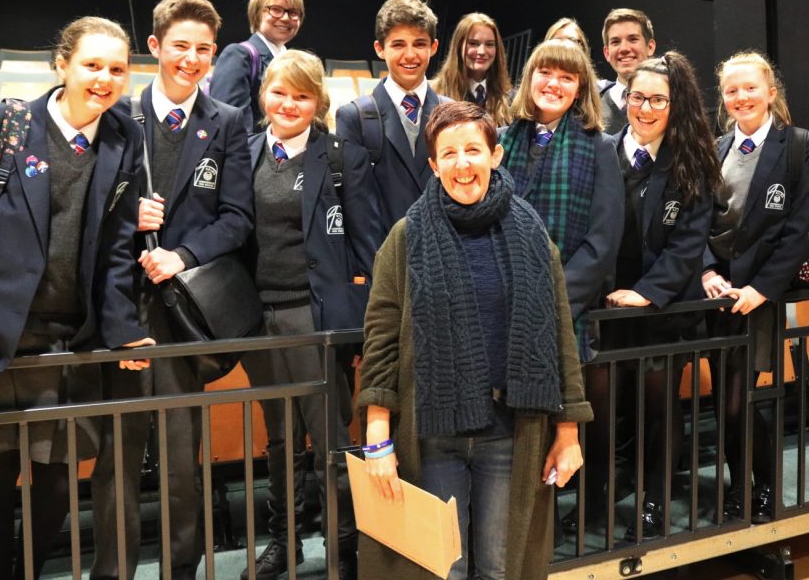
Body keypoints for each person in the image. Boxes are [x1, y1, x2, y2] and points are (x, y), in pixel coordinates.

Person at [0, 16, 152, 579]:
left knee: (54, 487)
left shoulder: (124, 134)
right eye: (92, 65)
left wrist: (121, 330)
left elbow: (118, 250)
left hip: (69, 342)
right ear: (61, 65)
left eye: (117, 69)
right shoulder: (1, 126)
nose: (104, 79)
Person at [358, 101, 592, 580]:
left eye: (472, 150)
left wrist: (567, 432)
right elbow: (380, 339)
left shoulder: (532, 235)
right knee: (443, 568)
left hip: (509, 431)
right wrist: (377, 434)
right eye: (449, 153)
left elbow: (560, 338)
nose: (462, 164)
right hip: (433, 434)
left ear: (496, 155)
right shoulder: (406, 237)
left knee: (498, 568)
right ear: (433, 164)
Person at [91, 0, 253, 580]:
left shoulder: (229, 122)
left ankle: (182, 568)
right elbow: (86, 209)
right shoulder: (117, 117)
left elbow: (237, 217)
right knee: (119, 452)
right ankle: (113, 570)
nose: (191, 59)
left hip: (186, 306)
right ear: (155, 47)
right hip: (118, 307)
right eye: (180, 46)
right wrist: (129, 217)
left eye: (203, 49)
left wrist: (181, 255)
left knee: (183, 454)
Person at [241, 49, 379, 580]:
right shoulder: (246, 152)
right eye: (280, 92)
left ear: (319, 102)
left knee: (329, 439)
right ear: (264, 95)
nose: (289, 104)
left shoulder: (342, 157)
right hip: (259, 318)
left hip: (314, 315)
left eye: (302, 95)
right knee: (277, 439)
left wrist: (367, 321)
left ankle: (343, 545)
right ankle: (285, 540)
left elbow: (368, 242)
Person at [576, 52, 721, 539]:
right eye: (638, 97)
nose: (646, 108)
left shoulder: (693, 164)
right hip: (604, 311)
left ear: (675, 105)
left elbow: (688, 247)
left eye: (659, 99)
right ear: (625, 98)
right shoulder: (600, 151)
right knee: (597, 414)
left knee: (659, 412)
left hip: (663, 311)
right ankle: (593, 503)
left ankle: (654, 500)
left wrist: (646, 294)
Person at [703, 50, 809, 523]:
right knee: (723, 404)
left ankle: (764, 489)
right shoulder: (714, 149)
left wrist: (761, 289)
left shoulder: (801, 144)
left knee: (743, 400)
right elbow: (698, 222)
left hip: (760, 297)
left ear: (771, 92)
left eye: (750, 87)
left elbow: (803, 226)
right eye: (731, 90)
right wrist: (705, 273)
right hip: (718, 296)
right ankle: (741, 490)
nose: (741, 97)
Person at [501, 39, 624, 363]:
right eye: (545, 72)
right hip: (500, 304)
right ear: (529, 78)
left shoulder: (600, 148)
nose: (553, 84)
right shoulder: (498, 141)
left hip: (565, 311)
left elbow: (602, 243)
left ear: (580, 89)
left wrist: (551, 301)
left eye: (567, 77)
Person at [335, 0, 451, 237]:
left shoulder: (451, 114)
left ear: (433, 47)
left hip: (443, 258)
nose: (410, 55)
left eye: (419, 44)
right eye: (398, 44)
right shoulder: (353, 118)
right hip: (382, 261)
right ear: (380, 49)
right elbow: (356, 208)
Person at [209, 0, 304, 134]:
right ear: (257, 13)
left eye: (293, 12)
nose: (286, 18)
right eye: (276, 9)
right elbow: (230, 127)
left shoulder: (296, 63)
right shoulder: (238, 56)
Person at [431, 12, 513, 126]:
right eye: (473, 43)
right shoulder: (433, 93)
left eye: (489, 44)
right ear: (459, 46)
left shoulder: (510, 101)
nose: (482, 52)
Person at [598, 8, 656, 135]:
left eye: (633, 39)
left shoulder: (673, 99)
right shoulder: (592, 106)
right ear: (607, 53)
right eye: (616, 42)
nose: (624, 48)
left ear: (650, 47)